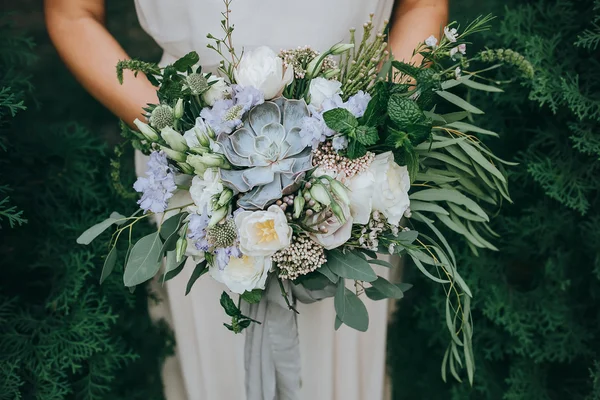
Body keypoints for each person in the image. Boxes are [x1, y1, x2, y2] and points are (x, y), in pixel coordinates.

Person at [45, 1, 448, 399]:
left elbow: (422, 5)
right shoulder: (192, 158)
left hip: (350, 162)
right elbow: (71, 13)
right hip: (194, 171)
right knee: (224, 367)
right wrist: (183, 138)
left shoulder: (353, 154)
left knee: (338, 360)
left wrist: (369, 123)